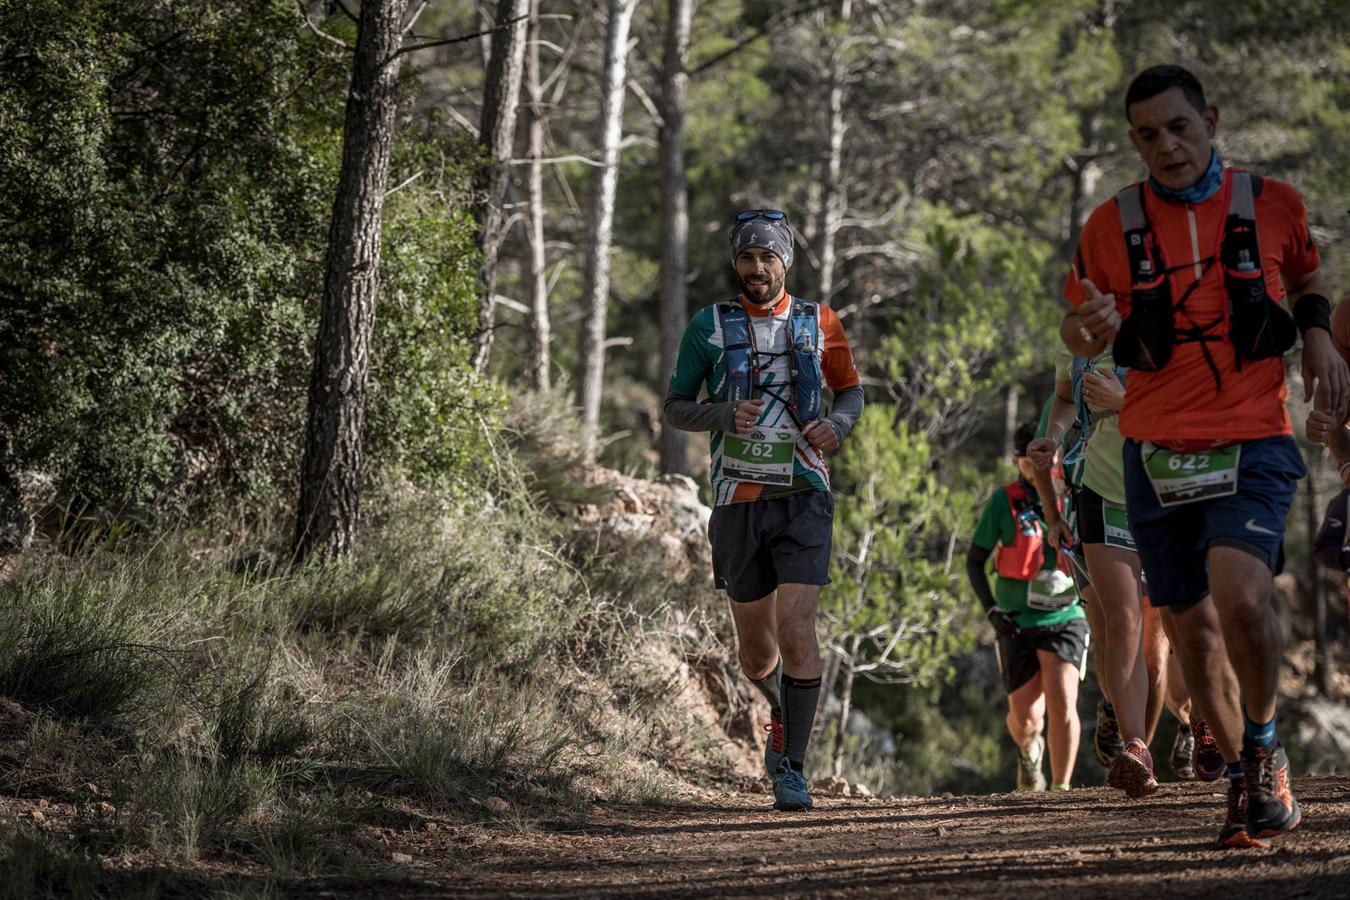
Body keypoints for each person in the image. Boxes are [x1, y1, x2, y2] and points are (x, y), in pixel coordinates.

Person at [1062, 65, 1349, 847]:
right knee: (1189, 627)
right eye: (1148, 135)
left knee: (1243, 593)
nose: (1168, 146)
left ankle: (1260, 750)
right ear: (1133, 142)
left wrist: (1318, 334)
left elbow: (1306, 273)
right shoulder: (1109, 225)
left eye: (1180, 127)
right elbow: (1079, 325)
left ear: (1210, 120)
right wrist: (1084, 335)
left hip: (1253, 435)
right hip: (1154, 451)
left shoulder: (1270, 204)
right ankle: (1250, 765)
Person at [662, 209, 864, 811]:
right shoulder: (709, 325)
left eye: (767, 258)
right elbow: (675, 406)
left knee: (797, 628)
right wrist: (723, 415)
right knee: (757, 653)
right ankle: (781, 707)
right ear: (736, 263)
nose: (756, 269)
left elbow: (851, 390)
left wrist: (838, 423)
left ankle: (792, 768)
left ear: (785, 262)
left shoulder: (819, 321)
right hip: (736, 497)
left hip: (805, 491)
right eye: (747, 258)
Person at [1029, 351, 1218, 794]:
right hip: (1102, 491)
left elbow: (1197, 403)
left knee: (1176, 614)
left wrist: (1126, 400)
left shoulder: (1162, 325)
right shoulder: (1076, 342)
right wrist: (1054, 437)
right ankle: (1137, 748)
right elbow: (1062, 397)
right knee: (1122, 620)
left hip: (1168, 490)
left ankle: (1206, 716)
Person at [966, 422, 1087, 792]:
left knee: (1064, 702)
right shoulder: (1004, 501)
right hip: (1016, 617)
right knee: (1028, 719)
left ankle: (1061, 790)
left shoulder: (1073, 495)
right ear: (1019, 463)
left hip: (1066, 614)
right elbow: (975, 561)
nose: (1033, 468)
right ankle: (1029, 752)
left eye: (1043, 460)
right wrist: (991, 611)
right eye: (1025, 462)